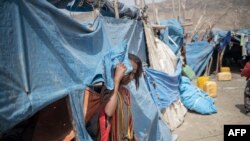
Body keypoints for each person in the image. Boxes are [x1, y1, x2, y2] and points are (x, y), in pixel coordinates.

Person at [99, 53, 143, 141]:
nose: (131, 77)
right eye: (129, 72)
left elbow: (128, 117)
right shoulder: (109, 89)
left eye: (134, 74)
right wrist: (116, 80)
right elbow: (109, 112)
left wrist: (133, 135)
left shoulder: (125, 92)